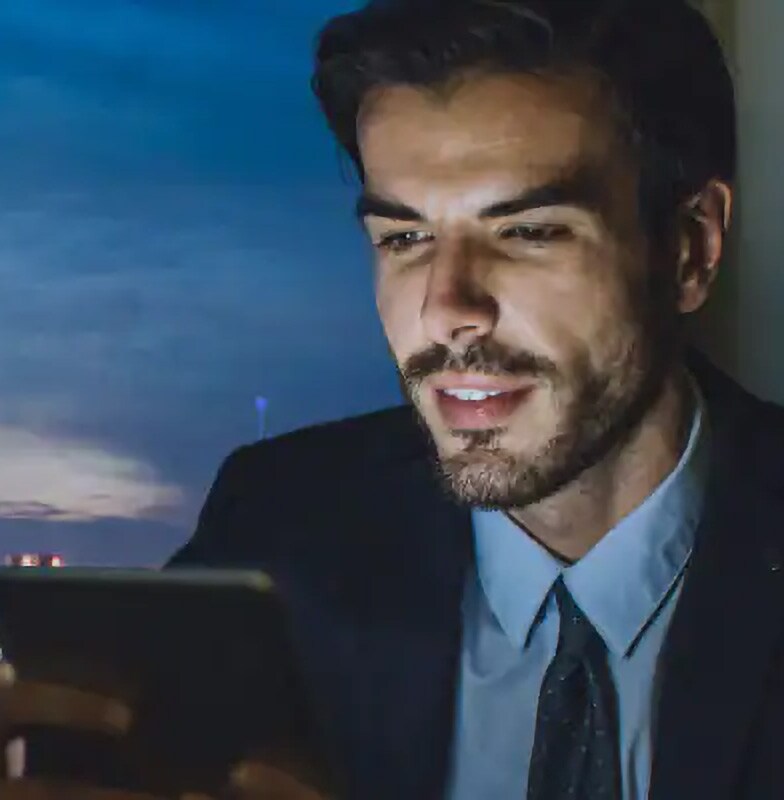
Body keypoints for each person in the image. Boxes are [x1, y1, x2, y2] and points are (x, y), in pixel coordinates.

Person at [170, 1, 784, 799]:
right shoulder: (274, 528)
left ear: (690, 247)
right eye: (405, 239)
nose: (446, 307)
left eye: (527, 231)